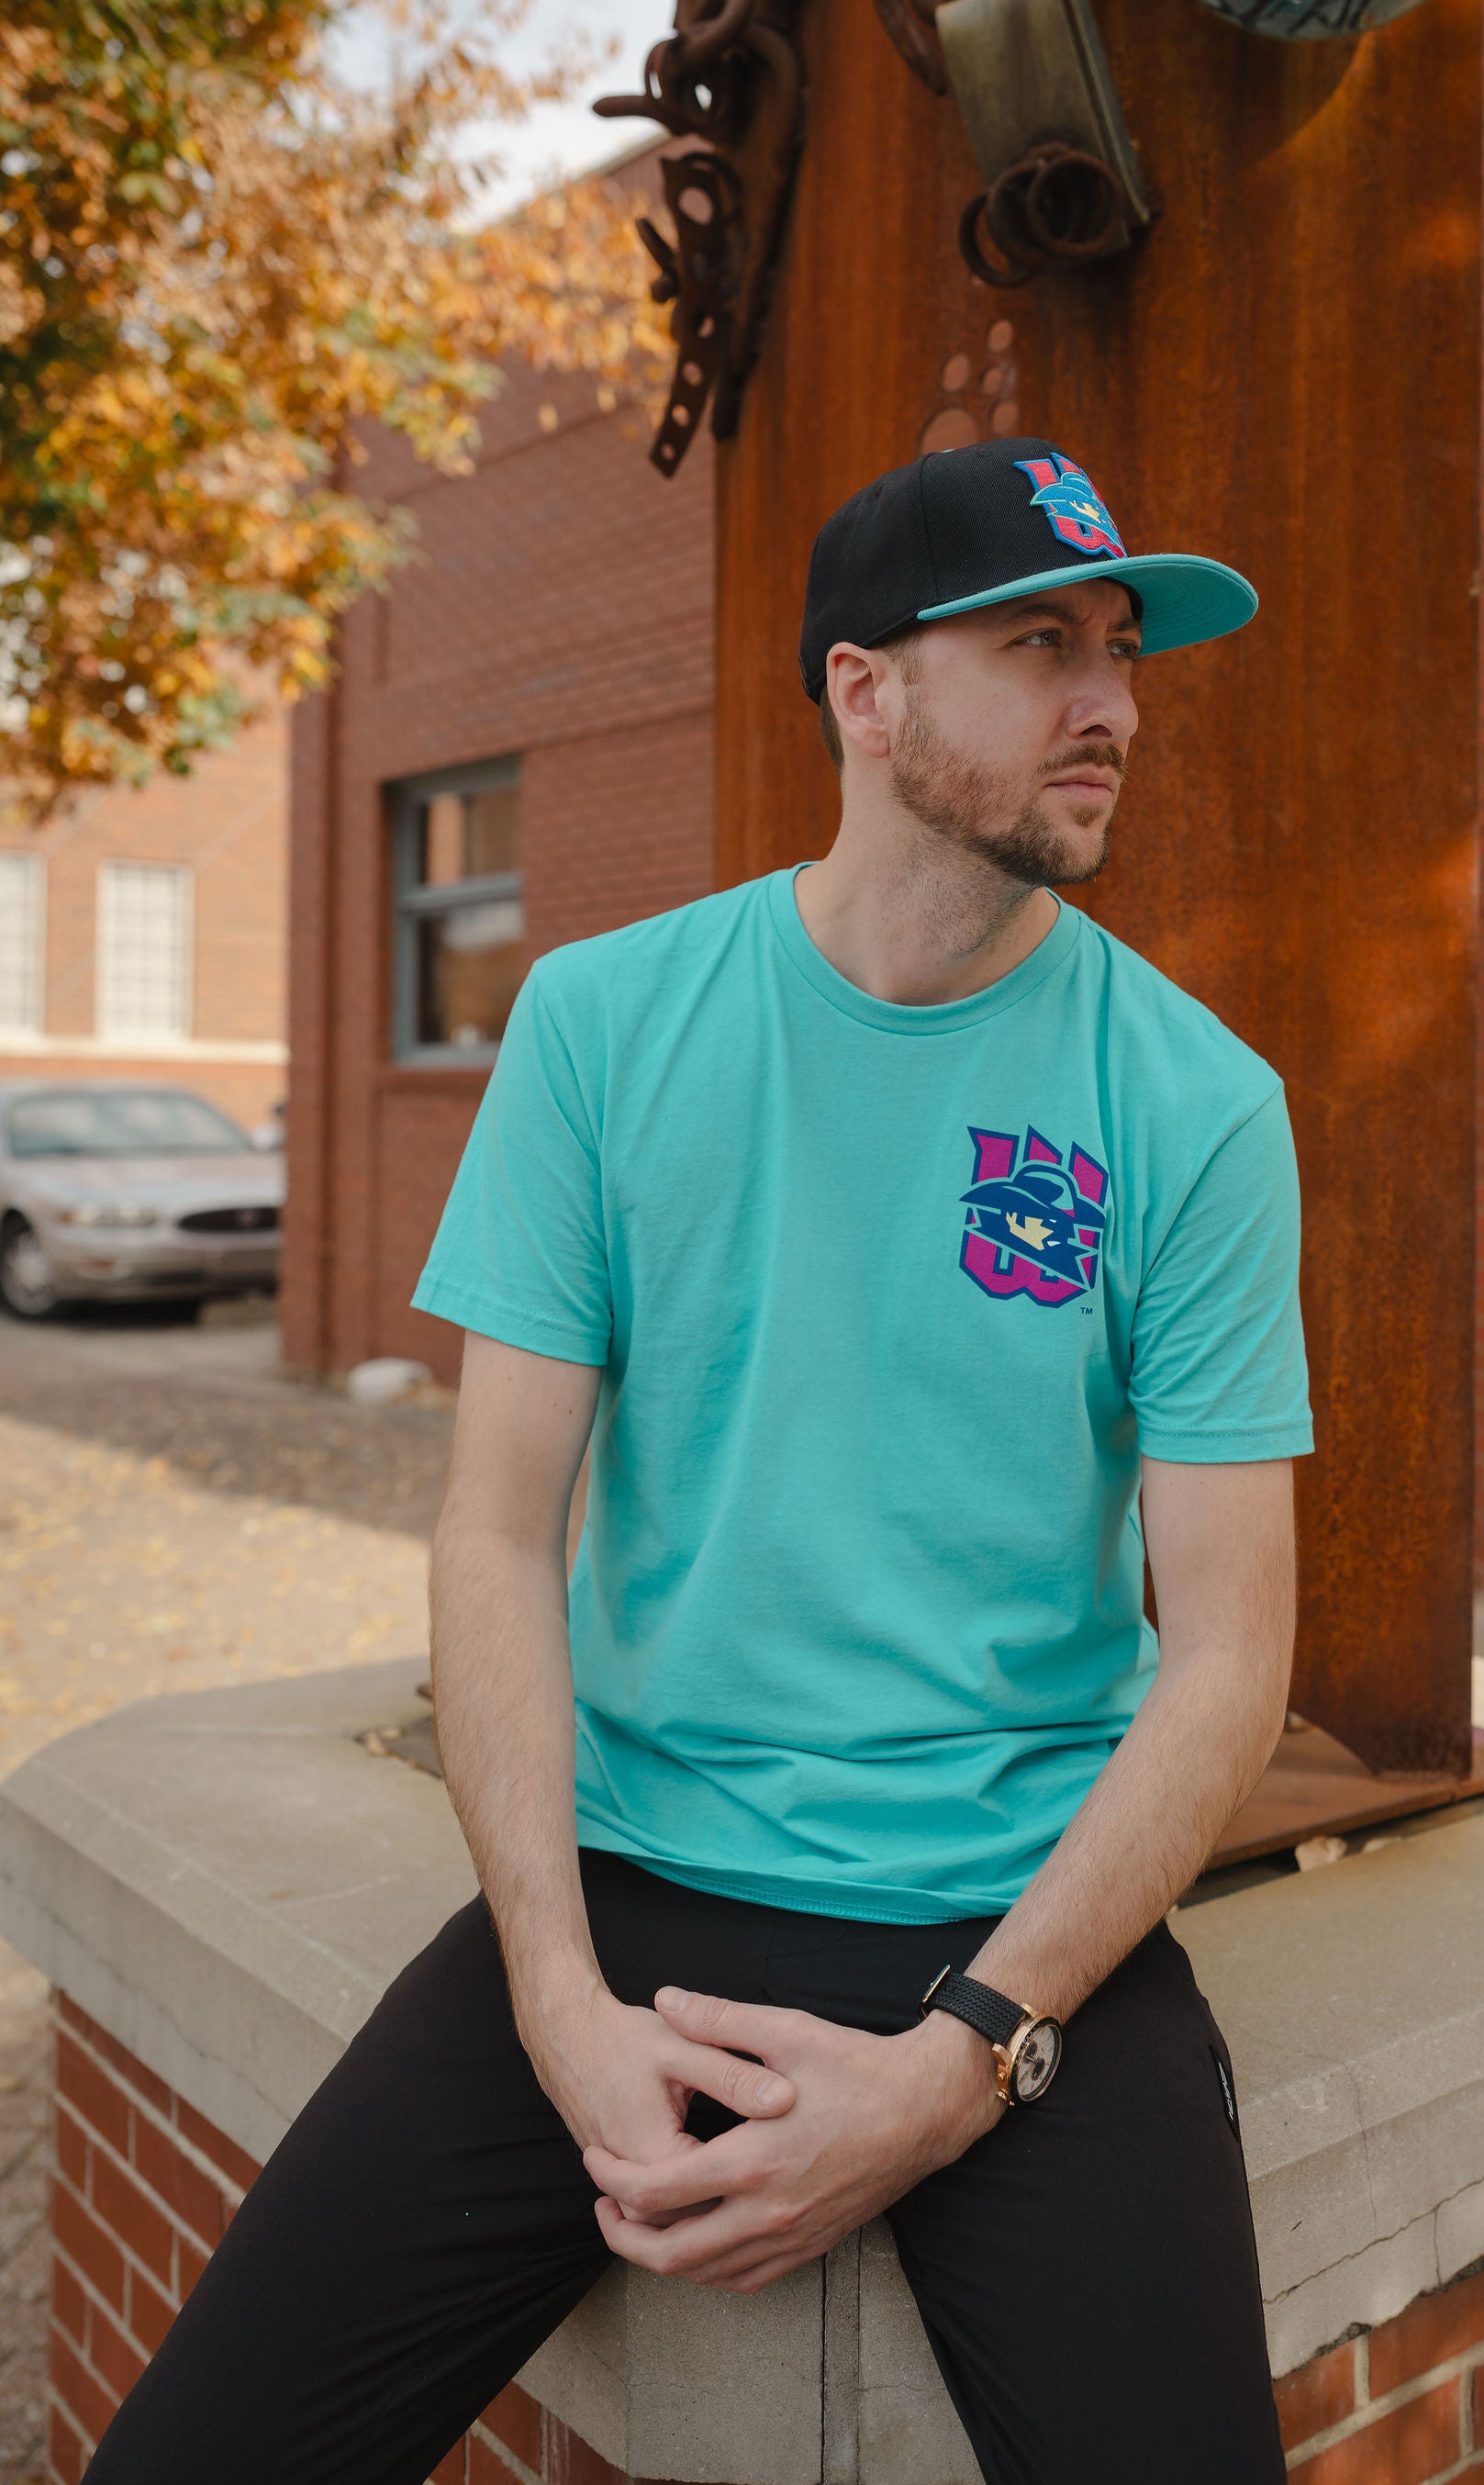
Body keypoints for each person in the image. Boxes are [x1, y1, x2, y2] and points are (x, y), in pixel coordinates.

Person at [86, 438, 1313, 2485]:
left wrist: (961, 2069)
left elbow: (1225, 1663)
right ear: (866, 692)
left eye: (1121, 649)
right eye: (1040, 644)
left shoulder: (1195, 1105)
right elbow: (492, 1534)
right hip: (632, 1884)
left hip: (1008, 1929)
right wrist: (558, 1999)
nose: (1111, 701)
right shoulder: (601, 1024)